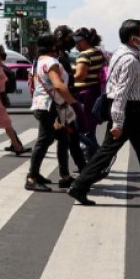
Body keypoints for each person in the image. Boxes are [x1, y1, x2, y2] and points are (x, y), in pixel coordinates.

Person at [68, 20, 140, 210]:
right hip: (128, 112)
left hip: (130, 111)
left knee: (110, 153)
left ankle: (80, 185)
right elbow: (121, 92)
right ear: (133, 38)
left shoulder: (120, 54)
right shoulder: (129, 60)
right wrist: (118, 122)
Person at [27, 34, 77, 191]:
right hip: (50, 107)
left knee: (63, 139)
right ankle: (32, 177)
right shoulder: (51, 62)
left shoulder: (38, 61)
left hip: (44, 105)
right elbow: (58, 85)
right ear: (53, 47)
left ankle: (65, 176)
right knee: (44, 141)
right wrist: (74, 103)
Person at [53, 25, 87, 174]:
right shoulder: (57, 58)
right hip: (60, 102)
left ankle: (81, 169)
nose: (72, 41)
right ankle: (35, 174)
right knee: (61, 138)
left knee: (70, 138)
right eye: (69, 37)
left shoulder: (63, 56)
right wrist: (69, 100)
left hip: (64, 101)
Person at [72, 27, 107, 160]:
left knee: (81, 130)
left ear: (83, 41)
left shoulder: (85, 55)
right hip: (95, 92)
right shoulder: (98, 53)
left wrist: (66, 77)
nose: (76, 46)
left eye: (77, 43)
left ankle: (97, 158)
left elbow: (80, 75)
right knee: (89, 129)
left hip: (84, 95)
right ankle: (92, 160)